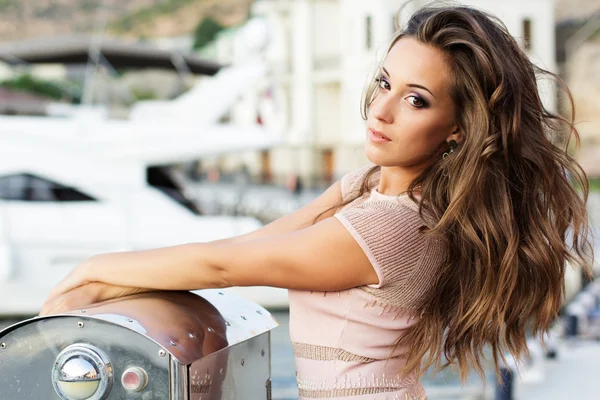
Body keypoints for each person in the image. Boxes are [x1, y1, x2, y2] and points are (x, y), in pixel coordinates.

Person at [41, 5, 594, 399]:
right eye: (384, 83)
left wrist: (93, 271)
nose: (382, 110)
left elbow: (227, 266)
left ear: (457, 128)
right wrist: (111, 283)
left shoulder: (396, 228)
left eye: (416, 100)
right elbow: (252, 243)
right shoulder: (365, 185)